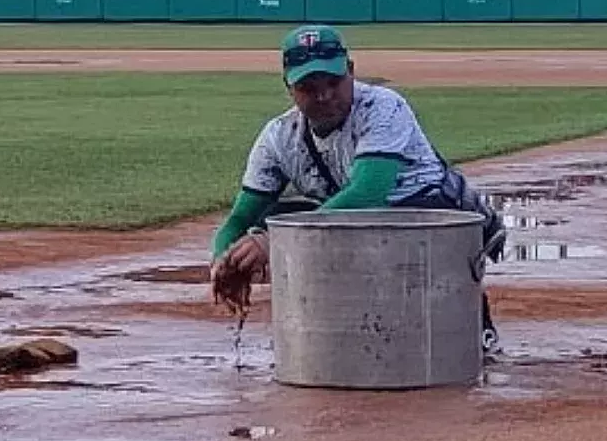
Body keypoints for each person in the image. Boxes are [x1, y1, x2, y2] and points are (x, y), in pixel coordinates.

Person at [208, 25, 505, 349]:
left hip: (427, 213)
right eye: (308, 87)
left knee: (291, 229)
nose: (324, 96)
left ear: (351, 71)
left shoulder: (382, 106)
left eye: (333, 83)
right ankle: (339, 334)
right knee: (274, 216)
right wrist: (222, 259)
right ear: (289, 87)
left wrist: (275, 242)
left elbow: (369, 193)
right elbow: (239, 219)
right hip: (360, 219)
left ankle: (476, 333)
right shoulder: (279, 136)